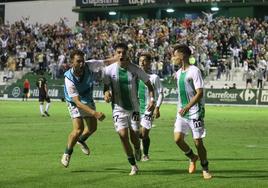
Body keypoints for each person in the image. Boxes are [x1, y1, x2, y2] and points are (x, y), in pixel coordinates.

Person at [103, 43, 155, 175]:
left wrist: (152, 100)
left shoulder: (136, 69)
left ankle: (137, 148)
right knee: (122, 135)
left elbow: (149, 85)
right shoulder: (108, 70)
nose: (121, 55)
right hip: (118, 108)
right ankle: (133, 165)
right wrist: (106, 93)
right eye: (118, 52)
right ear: (115, 54)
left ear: (128, 54)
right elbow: (106, 86)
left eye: (123, 53)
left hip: (134, 109)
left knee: (134, 135)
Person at [61, 49, 114, 168]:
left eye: (82, 61)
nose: (81, 64)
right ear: (72, 62)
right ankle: (67, 153)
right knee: (78, 129)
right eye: (78, 61)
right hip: (74, 102)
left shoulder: (89, 65)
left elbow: (106, 62)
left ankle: (81, 140)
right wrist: (94, 113)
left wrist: (119, 58)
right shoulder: (68, 78)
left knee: (93, 128)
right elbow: (77, 102)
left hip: (87, 98)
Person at [172, 44, 212, 180]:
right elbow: (180, 80)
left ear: (183, 55)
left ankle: (205, 168)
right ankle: (192, 157)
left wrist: (188, 107)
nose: (173, 58)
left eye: (175, 55)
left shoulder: (194, 71)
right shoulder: (178, 73)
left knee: (198, 142)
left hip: (194, 111)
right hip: (182, 112)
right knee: (177, 139)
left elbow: (199, 93)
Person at [138, 53, 164, 161]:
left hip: (149, 109)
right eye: (140, 60)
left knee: (143, 133)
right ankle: (138, 146)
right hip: (136, 109)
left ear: (149, 63)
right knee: (137, 133)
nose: (142, 63)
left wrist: (157, 107)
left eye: (144, 60)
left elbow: (161, 93)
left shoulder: (154, 77)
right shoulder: (135, 76)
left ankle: (145, 154)